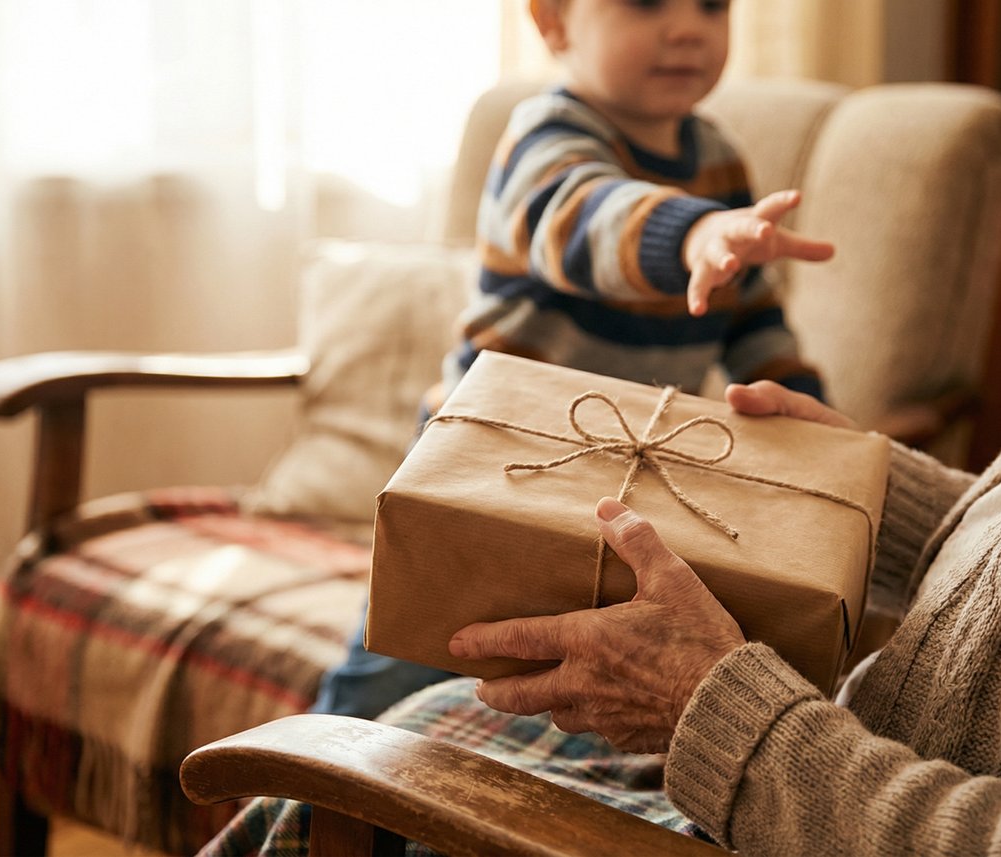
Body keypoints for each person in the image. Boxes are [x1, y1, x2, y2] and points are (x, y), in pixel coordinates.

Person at [206, 0, 1001, 852]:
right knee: (406, 705)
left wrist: (709, 702)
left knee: (342, 776)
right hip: (828, 741)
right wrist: (844, 477)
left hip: (805, 797)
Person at [309, 0, 835, 720]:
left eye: (712, 5)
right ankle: (310, 786)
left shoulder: (719, 160)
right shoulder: (543, 138)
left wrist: (808, 418)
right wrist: (693, 235)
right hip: (485, 464)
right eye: (647, 4)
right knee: (399, 655)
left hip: (618, 481)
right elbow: (585, 216)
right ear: (553, 23)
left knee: (558, 668)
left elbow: (753, 319)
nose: (687, 28)